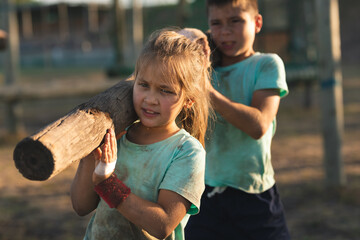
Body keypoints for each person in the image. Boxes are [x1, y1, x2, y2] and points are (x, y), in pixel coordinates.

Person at [70, 28, 213, 240]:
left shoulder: (187, 152)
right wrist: (92, 156)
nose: (150, 99)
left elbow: (162, 225)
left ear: (189, 100)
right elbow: (81, 206)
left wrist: (107, 184)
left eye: (165, 90)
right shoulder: (117, 137)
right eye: (144, 85)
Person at [185, 0, 291, 239]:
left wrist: (206, 90)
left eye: (235, 21)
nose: (225, 31)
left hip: (254, 193)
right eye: (216, 23)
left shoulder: (266, 64)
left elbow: (259, 125)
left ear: (257, 22)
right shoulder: (203, 69)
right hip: (204, 193)